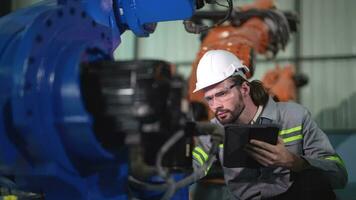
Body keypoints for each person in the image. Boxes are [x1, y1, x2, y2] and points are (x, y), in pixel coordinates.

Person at [191, 50, 348, 200]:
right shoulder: (214, 130)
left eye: (221, 94)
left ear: (244, 88)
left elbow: (339, 174)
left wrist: (294, 162)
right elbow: (195, 167)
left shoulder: (294, 117)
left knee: (312, 179)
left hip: (294, 195)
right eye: (209, 98)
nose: (215, 105)